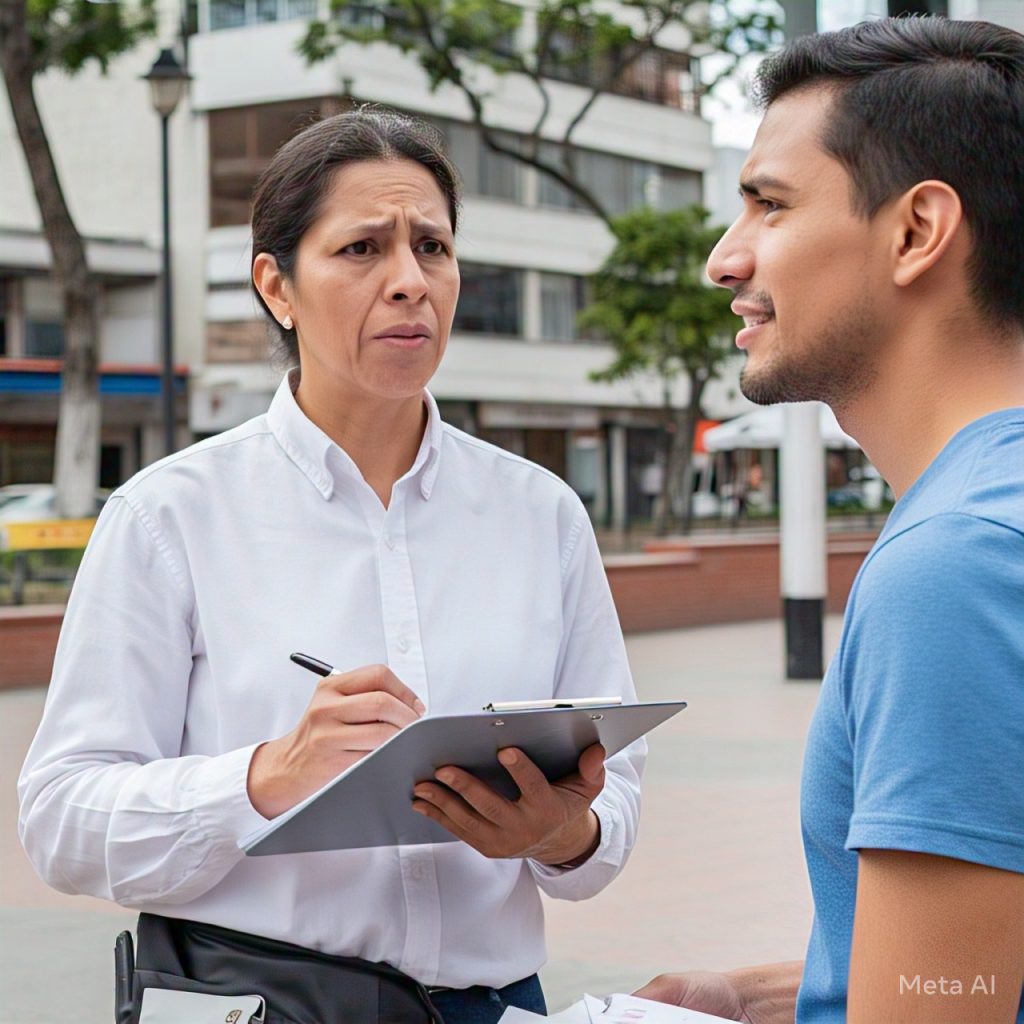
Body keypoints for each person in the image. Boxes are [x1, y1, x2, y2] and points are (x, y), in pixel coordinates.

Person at [17, 108, 644, 1023]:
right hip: (256, 1000)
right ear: (277, 285)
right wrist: (268, 774)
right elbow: (62, 821)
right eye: (362, 249)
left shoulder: (540, 513)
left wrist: (565, 833)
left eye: (432, 246)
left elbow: (612, 801)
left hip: (494, 1004)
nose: (409, 283)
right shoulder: (170, 515)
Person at [637, 16, 1024, 1024]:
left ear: (914, 231)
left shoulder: (957, 567)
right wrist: (775, 992)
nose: (726, 260)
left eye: (768, 205)